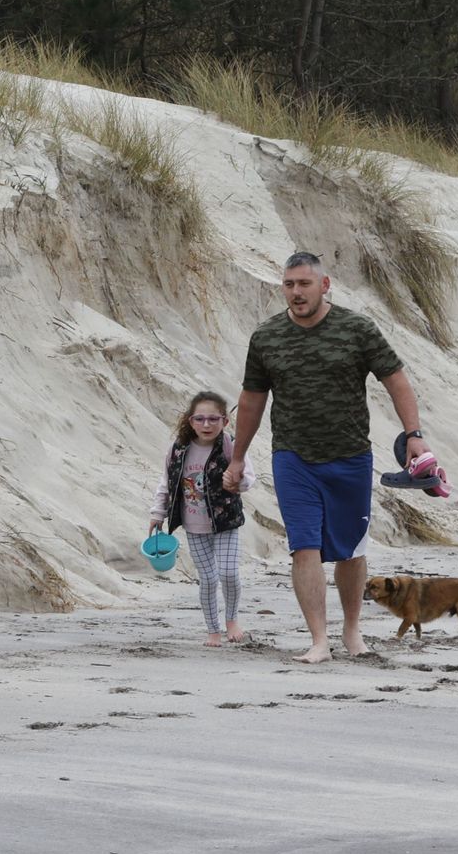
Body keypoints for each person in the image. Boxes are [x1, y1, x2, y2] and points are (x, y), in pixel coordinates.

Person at [223, 252, 432, 664]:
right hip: (293, 458)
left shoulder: (356, 329)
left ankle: (352, 631)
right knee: (305, 547)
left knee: (351, 552)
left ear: (325, 284)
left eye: (304, 284)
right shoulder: (267, 337)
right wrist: (238, 457)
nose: (296, 293)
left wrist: (415, 436)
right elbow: (251, 400)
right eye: (289, 285)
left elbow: (396, 379)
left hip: (350, 457)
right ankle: (318, 640)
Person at [146, 391, 248, 646]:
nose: (206, 424)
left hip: (225, 521)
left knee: (228, 574)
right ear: (190, 421)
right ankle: (213, 630)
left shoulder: (230, 445)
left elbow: (249, 478)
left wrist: (238, 480)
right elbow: (166, 484)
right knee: (208, 579)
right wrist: (158, 513)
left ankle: (232, 620)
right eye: (200, 419)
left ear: (225, 421)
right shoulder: (177, 450)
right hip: (194, 525)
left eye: (213, 419)